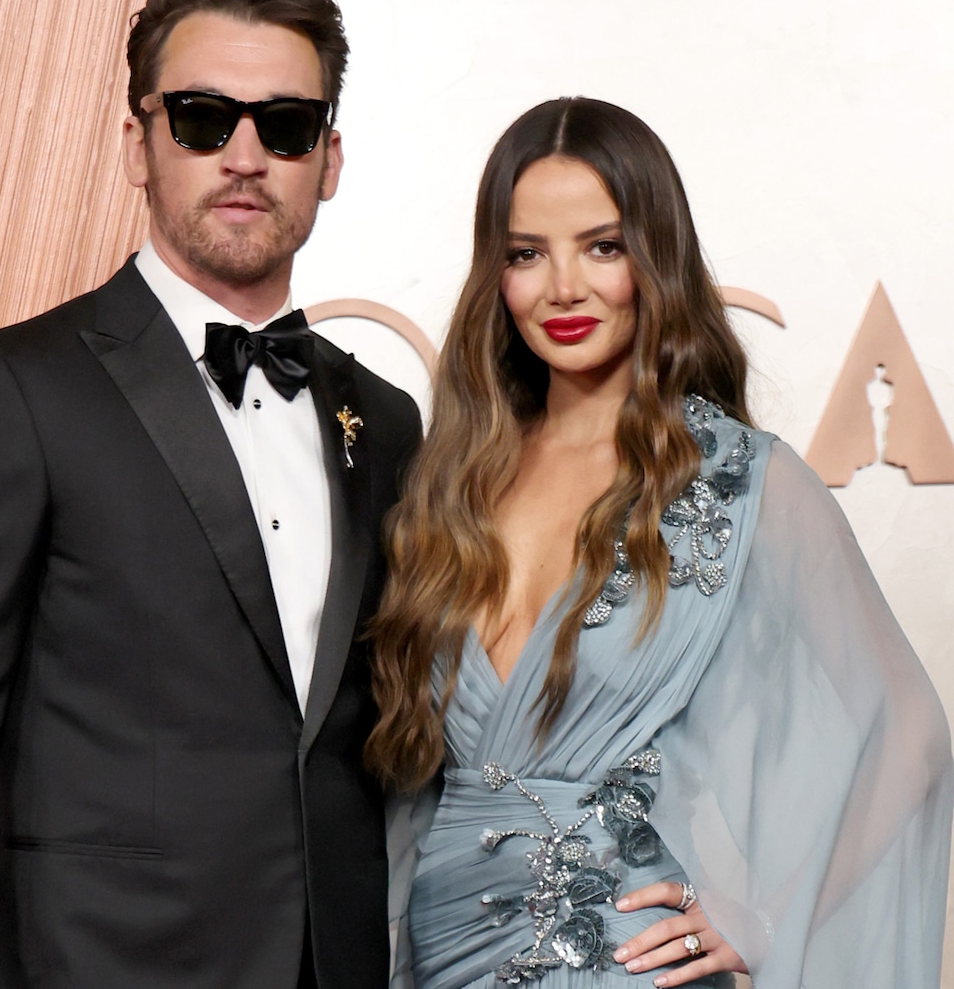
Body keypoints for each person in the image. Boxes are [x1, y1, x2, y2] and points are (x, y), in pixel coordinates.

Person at [0, 0, 421, 989]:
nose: (245, 157)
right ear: (139, 144)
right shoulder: (12, 393)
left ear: (329, 159)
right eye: (203, 120)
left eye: (286, 127)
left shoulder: (384, 422)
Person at [367, 98, 952, 988]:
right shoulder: (450, 482)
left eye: (602, 247)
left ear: (656, 257)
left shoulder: (737, 479)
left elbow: (909, 735)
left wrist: (765, 916)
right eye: (527, 254)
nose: (564, 287)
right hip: (440, 952)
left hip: (624, 960)